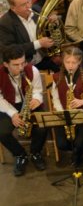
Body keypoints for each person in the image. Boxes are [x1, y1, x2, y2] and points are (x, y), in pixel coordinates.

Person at [0, 45, 47, 177]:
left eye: (23, 63)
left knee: (42, 126)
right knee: (2, 132)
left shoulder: (32, 70)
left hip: (29, 102)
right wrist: (13, 114)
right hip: (8, 105)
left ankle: (35, 152)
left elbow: (37, 89)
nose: (21, 68)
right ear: (6, 64)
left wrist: (37, 98)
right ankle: (20, 154)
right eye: (16, 65)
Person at [50, 46, 83, 165]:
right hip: (64, 116)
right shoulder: (56, 77)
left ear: (79, 62)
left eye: (74, 62)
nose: (70, 66)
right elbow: (55, 98)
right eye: (67, 62)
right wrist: (63, 112)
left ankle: (78, 153)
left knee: (79, 142)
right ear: (63, 61)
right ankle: (77, 152)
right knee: (61, 144)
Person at [0, 0, 60, 72]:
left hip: (43, 58)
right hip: (23, 64)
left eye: (28, 2)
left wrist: (54, 21)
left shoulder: (36, 9)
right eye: (23, 5)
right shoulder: (5, 23)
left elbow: (48, 30)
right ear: (13, 8)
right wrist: (39, 43)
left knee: (61, 73)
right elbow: (9, 49)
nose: (28, 6)